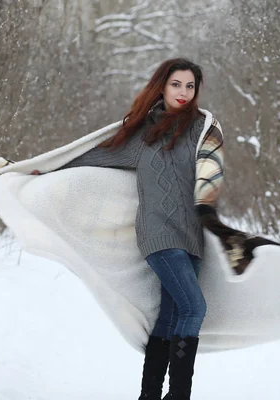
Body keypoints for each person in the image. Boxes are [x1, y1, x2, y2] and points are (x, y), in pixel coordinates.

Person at [52, 58, 219, 400]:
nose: (183, 92)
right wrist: (44, 169)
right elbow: (94, 157)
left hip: (192, 235)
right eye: (176, 84)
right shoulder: (143, 135)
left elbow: (212, 177)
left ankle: (149, 395)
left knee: (171, 316)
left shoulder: (203, 128)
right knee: (194, 308)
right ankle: (179, 394)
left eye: (190, 86)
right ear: (162, 86)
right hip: (158, 233)